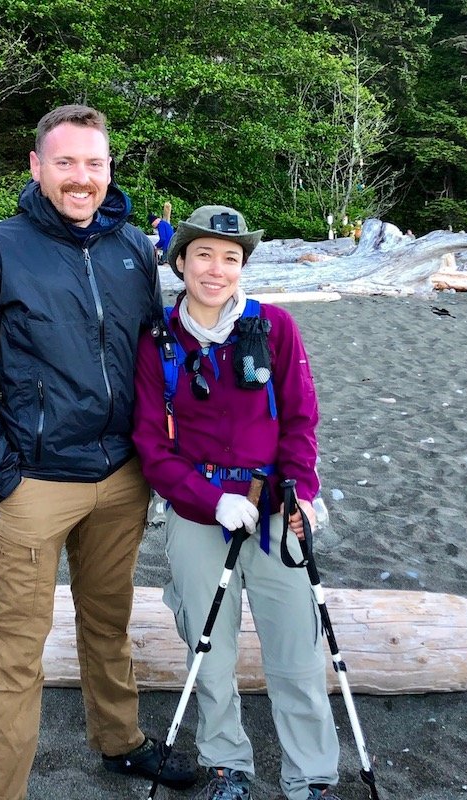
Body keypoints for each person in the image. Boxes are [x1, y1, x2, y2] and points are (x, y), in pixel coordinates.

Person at [0, 104, 196, 800]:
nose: (82, 178)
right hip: (33, 485)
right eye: (66, 162)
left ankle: (121, 741)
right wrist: (0, 474)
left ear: (110, 169)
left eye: (94, 163)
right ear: (37, 167)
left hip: (122, 475)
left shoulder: (135, 248)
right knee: (15, 654)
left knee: (109, 623)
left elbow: (153, 352)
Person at [132, 205, 343, 800]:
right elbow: (152, 444)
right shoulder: (158, 342)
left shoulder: (275, 327)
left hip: (277, 510)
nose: (216, 269)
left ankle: (312, 777)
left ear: (242, 266)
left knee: (296, 654)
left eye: (230, 257)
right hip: (199, 514)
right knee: (210, 650)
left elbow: (301, 419)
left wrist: (299, 491)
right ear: (180, 262)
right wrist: (207, 500)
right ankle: (227, 764)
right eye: (203, 254)